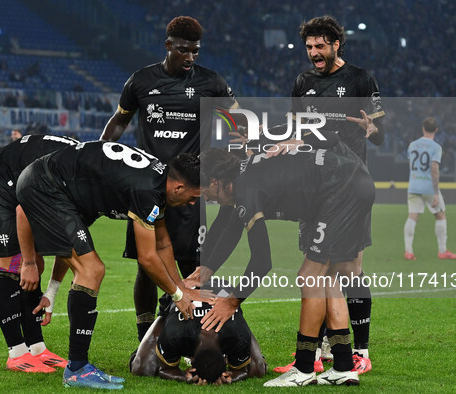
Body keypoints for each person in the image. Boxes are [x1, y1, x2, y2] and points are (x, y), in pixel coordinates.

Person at [15, 141, 203, 389]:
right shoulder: (148, 189)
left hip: (55, 186)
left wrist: (181, 287)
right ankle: (77, 369)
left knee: (89, 267)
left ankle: (78, 367)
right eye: (193, 197)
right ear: (179, 187)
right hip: (46, 187)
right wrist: (177, 294)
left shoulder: (158, 179)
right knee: (91, 270)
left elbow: (162, 243)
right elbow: (147, 258)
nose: (192, 204)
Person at [101, 15, 238, 343]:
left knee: (195, 265)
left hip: (192, 190)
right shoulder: (141, 82)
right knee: (147, 270)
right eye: (184, 50)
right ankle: (144, 337)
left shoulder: (211, 84)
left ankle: (194, 337)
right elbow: (118, 123)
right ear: (168, 46)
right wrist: (102, 155)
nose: (190, 57)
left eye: (195, 51)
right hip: (148, 190)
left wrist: (239, 147)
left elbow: (239, 120)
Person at [199, 131, 373, 386]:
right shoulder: (243, 180)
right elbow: (231, 229)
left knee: (309, 277)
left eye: (204, 190)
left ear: (216, 181)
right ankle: (344, 367)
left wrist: (232, 302)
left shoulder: (245, 189)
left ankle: (303, 370)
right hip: (353, 181)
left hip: (340, 187)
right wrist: (207, 269)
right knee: (328, 279)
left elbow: (262, 261)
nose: (205, 198)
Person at [269, 16, 384, 372]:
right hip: (314, 187)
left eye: (321, 46)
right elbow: (297, 129)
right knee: (316, 267)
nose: (314, 53)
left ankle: (361, 353)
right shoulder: (303, 82)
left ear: (337, 44)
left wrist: (371, 127)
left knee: (348, 270)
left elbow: (380, 134)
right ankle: (317, 354)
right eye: (309, 47)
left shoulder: (360, 79)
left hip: (350, 184)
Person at [0, 135, 81, 373]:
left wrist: (50, 292)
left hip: (16, 184)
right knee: (11, 265)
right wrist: (27, 262)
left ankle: (37, 348)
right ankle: (17, 353)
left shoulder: (81, 168)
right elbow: (23, 209)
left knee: (35, 265)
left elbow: (68, 237)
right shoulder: (68, 173)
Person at [130, 294, 267, 385]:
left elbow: (166, 370)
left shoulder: (237, 335)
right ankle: (164, 318)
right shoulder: (175, 335)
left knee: (257, 368)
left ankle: (238, 319)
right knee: (142, 367)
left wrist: (183, 376)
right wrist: (234, 377)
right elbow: (164, 369)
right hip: (181, 294)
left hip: (223, 297)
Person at [404, 117, 456, 260]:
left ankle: (408, 251)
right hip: (429, 187)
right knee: (440, 215)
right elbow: (434, 169)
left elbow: (411, 165)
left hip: (414, 185)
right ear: (436, 130)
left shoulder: (412, 145)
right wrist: (435, 192)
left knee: (412, 217)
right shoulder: (436, 147)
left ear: (423, 128)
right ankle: (442, 251)